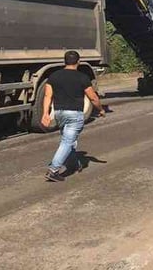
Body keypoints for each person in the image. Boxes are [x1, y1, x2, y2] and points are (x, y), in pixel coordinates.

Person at [41, 50, 106, 182]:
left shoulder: (54, 76)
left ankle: (74, 164)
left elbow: (48, 96)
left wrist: (45, 114)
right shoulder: (82, 77)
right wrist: (100, 109)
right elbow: (93, 97)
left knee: (68, 140)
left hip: (59, 113)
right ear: (78, 61)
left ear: (64, 61)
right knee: (67, 141)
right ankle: (53, 170)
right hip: (74, 114)